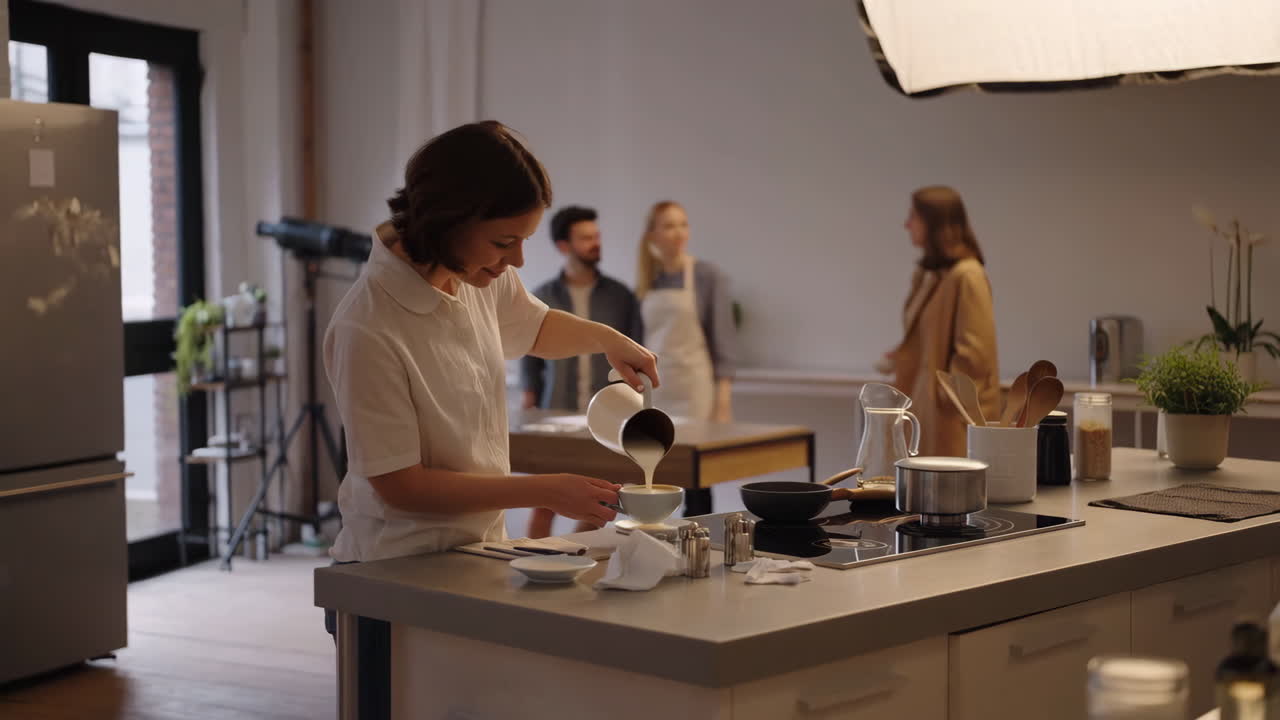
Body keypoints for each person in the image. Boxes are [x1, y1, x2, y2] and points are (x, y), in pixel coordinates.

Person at [322, 121, 659, 564]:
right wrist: (545, 490)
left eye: (523, 241)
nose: (516, 260)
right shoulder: (366, 326)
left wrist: (606, 338)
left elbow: (535, 328)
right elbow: (400, 486)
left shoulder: (477, 276)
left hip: (475, 552)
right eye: (505, 242)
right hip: (394, 565)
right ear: (448, 220)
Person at [877, 186, 998, 457]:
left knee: (945, 493)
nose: (906, 225)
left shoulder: (967, 276)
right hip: (925, 410)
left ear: (934, 222)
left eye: (914, 217)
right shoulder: (934, 276)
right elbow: (928, 339)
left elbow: (975, 354)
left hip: (947, 417)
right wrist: (904, 355)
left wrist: (946, 400)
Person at [520, 205, 644, 412]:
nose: (596, 244)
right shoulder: (542, 297)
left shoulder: (621, 296)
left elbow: (635, 350)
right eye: (586, 239)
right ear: (563, 246)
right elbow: (530, 362)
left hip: (612, 412)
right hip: (556, 410)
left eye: (597, 237)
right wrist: (529, 404)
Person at [635, 201, 737, 422]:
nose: (679, 232)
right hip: (655, 392)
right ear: (653, 234)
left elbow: (724, 345)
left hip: (695, 393)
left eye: (684, 225)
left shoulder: (707, 276)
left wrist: (723, 405)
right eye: (670, 226)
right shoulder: (648, 282)